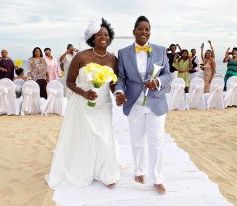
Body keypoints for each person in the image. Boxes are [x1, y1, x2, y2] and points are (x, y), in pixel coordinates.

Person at [46, 18, 120, 190]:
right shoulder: (81, 56)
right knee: (84, 138)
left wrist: (118, 94)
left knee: (104, 138)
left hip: (103, 105)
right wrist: (85, 93)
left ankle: (105, 173)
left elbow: (113, 83)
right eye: (99, 34)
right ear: (93, 38)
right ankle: (82, 171)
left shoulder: (113, 59)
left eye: (106, 35)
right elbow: (70, 82)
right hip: (82, 104)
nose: (103, 37)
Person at [115, 16, 170, 194]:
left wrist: (158, 82)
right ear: (134, 32)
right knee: (137, 141)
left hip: (156, 102)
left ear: (150, 32)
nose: (144, 32)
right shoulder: (123, 53)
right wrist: (119, 92)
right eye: (140, 28)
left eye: (147, 29)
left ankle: (157, 178)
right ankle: (139, 170)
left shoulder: (161, 51)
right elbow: (121, 78)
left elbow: (167, 75)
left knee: (157, 142)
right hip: (134, 103)